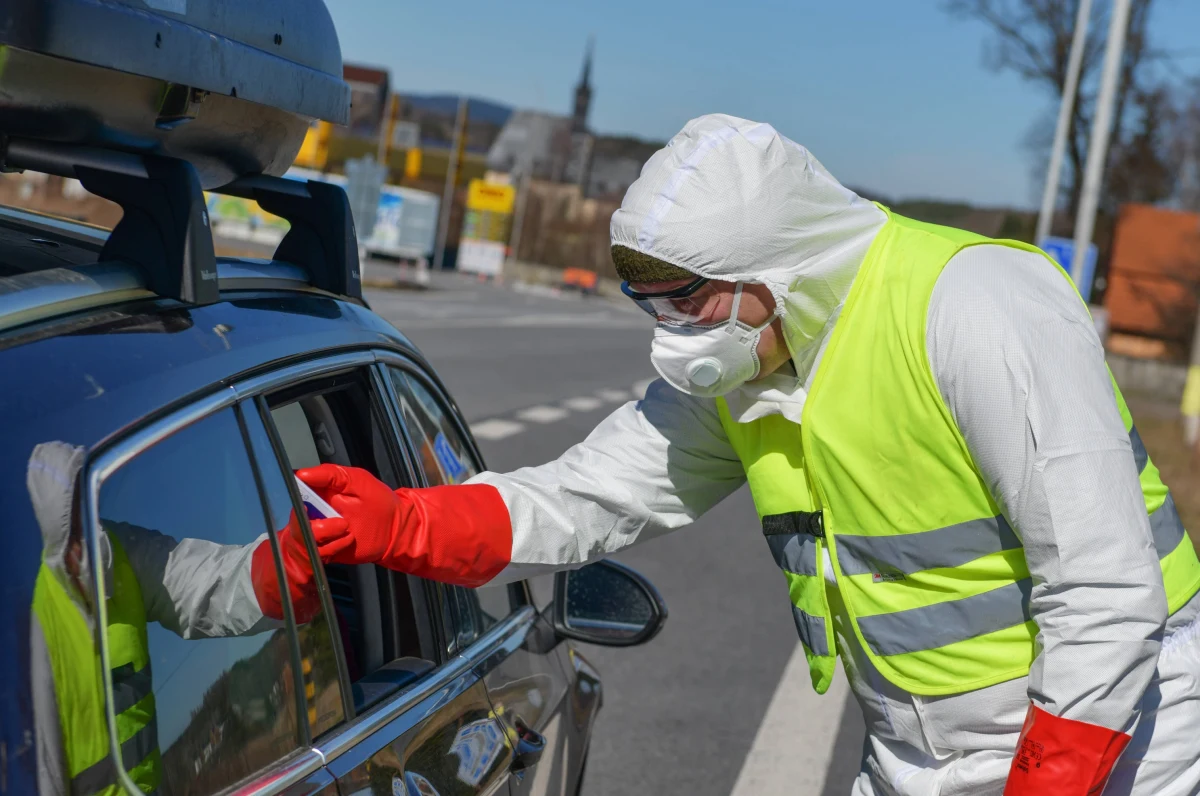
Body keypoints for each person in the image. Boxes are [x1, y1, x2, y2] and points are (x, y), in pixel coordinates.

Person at [294, 114, 1200, 795]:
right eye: (652, 308)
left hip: (1119, 739)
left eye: (688, 304)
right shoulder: (748, 369)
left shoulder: (972, 307)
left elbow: (1105, 592)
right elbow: (590, 496)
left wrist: (1049, 778)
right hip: (918, 751)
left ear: (779, 271)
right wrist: (405, 521)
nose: (673, 336)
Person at [28, 441, 337, 796]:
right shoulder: (30, 623)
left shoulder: (116, 554)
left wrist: (287, 565)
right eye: (74, 512)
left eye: (87, 497)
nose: (89, 521)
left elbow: (205, 585)